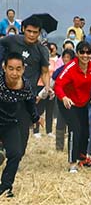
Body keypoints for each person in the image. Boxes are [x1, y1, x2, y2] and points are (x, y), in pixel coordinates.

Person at [53, 41, 91, 171]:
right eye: (82, 52)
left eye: (88, 52)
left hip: (82, 103)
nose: (85, 55)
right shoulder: (71, 68)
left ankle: (82, 158)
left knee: (85, 131)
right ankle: (72, 163)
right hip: (67, 102)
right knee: (75, 130)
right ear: (77, 54)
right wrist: (64, 97)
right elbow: (58, 85)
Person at [0, 16, 51, 152]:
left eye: (35, 32)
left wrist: (47, 86)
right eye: (29, 31)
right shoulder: (11, 40)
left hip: (26, 96)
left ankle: (15, 154)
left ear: (39, 33)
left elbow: (45, 71)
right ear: (23, 29)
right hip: (6, 93)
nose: (32, 35)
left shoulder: (42, 50)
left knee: (23, 130)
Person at [0, 53, 40, 197]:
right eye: (11, 68)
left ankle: (5, 187)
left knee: (16, 153)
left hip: (10, 123)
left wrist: (36, 118)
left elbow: (30, 105)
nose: (14, 73)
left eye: (18, 69)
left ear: (23, 69)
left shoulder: (26, 85)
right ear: (4, 68)